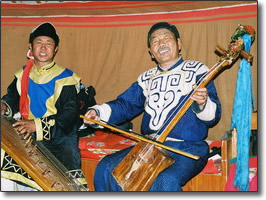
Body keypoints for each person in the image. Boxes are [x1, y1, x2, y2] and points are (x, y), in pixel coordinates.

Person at [83, 22, 221, 191]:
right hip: (150, 146)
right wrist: (98, 112)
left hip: (187, 148)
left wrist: (203, 102)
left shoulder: (198, 70)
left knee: (165, 180)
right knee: (106, 168)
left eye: (166, 38)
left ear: (179, 44)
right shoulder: (146, 78)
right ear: (151, 52)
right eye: (155, 41)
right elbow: (126, 104)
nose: (161, 43)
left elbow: (213, 115)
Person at [1, 22, 87, 191]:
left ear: (55, 49)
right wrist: (3, 105)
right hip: (27, 136)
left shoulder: (66, 78)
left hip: (59, 140)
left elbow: (69, 117)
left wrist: (36, 125)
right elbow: (12, 98)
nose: (43, 47)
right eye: (39, 42)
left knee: (61, 184)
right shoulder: (22, 74)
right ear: (30, 47)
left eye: (49, 43)